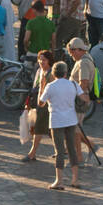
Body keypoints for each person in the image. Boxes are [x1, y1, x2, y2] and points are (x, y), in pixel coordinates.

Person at [39, 61, 85, 190]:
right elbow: (84, 98)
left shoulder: (50, 86)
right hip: (71, 120)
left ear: (54, 74)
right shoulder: (73, 84)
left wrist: (42, 87)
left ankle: (59, 181)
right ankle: (75, 179)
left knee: (59, 151)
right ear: (65, 73)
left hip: (56, 121)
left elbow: (40, 103)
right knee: (72, 149)